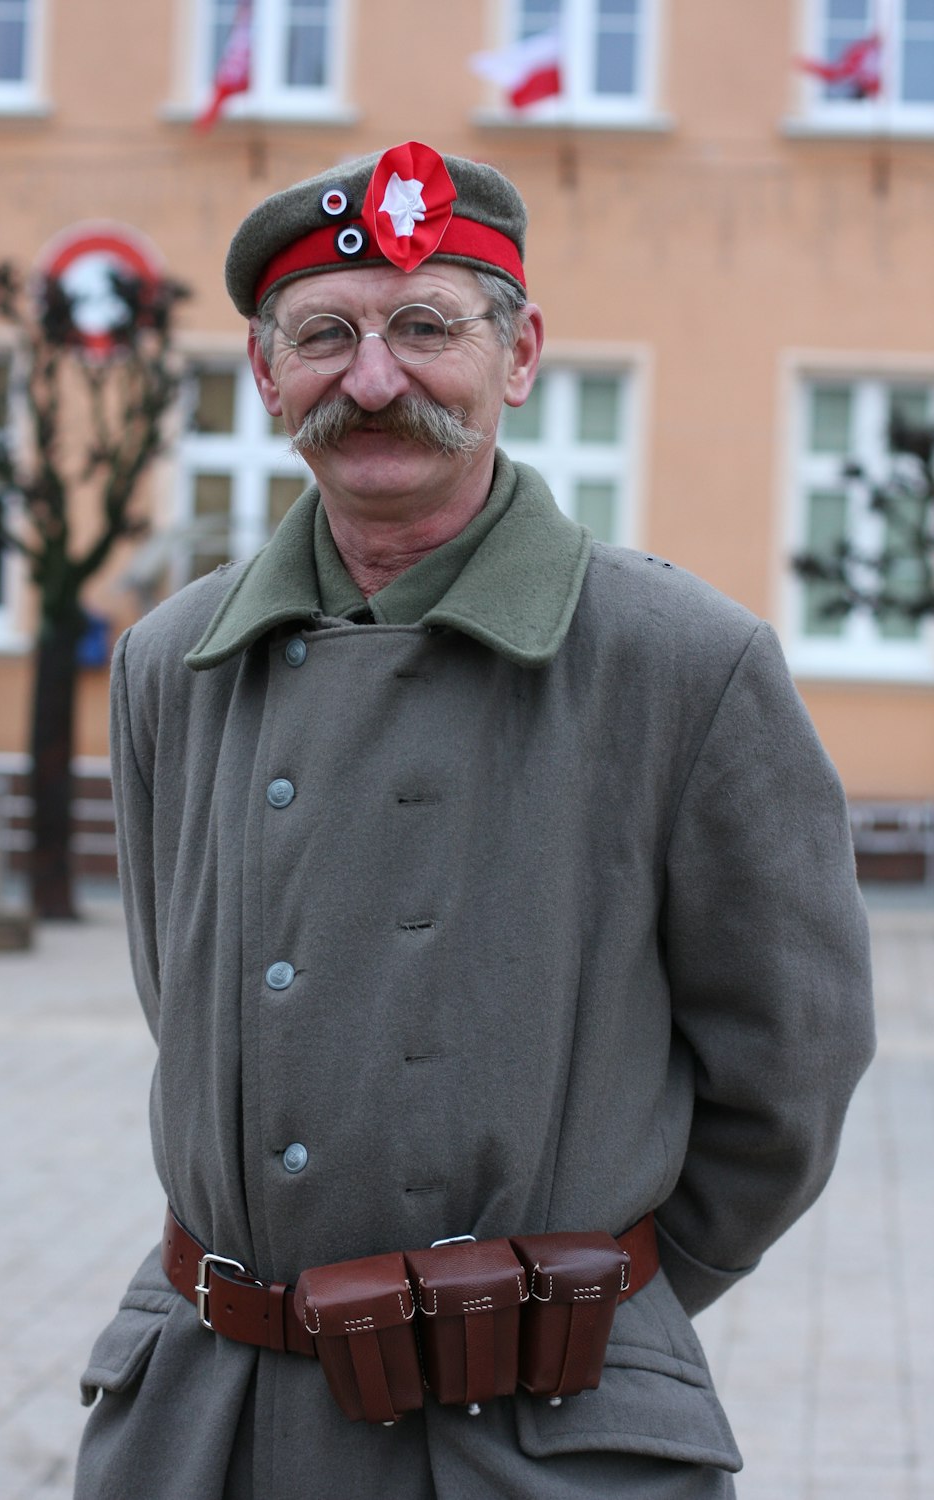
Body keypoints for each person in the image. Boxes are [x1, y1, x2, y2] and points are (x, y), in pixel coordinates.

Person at [74, 141, 875, 1500]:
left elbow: (789, 1065)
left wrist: (584, 1306)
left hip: (534, 1438)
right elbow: (185, 998)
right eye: (325, 333)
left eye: (427, 327)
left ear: (520, 353)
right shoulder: (174, 661)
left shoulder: (683, 661)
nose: (374, 380)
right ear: (266, 374)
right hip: (213, 1432)